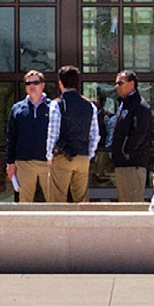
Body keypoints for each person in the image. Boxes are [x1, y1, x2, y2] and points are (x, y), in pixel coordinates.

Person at [46, 63, 104, 202]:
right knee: (82, 199)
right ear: (78, 83)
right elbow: (95, 135)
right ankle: (82, 224)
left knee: (57, 199)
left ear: (60, 83)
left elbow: (53, 132)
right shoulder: (89, 105)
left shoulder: (57, 104)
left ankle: (59, 224)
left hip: (62, 156)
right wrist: (88, 154)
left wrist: (49, 155)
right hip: (82, 157)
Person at [100, 70, 154, 205]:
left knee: (132, 204)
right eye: (116, 83)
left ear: (131, 84)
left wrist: (126, 151)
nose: (117, 86)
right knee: (125, 203)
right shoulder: (124, 104)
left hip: (133, 165)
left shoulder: (139, 106)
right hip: (123, 165)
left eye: (120, 83)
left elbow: (140, 132)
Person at [6, 69, 61, 201]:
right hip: (24, 163)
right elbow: (11, 137)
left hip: (48, 163)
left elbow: (60, 133)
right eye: (28, 83)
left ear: (42, 85)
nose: (32, 86)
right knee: (25, 203)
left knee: (54, 202)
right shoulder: (17, 109)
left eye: (35, 82)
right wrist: (10, 163)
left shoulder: (53, 107)